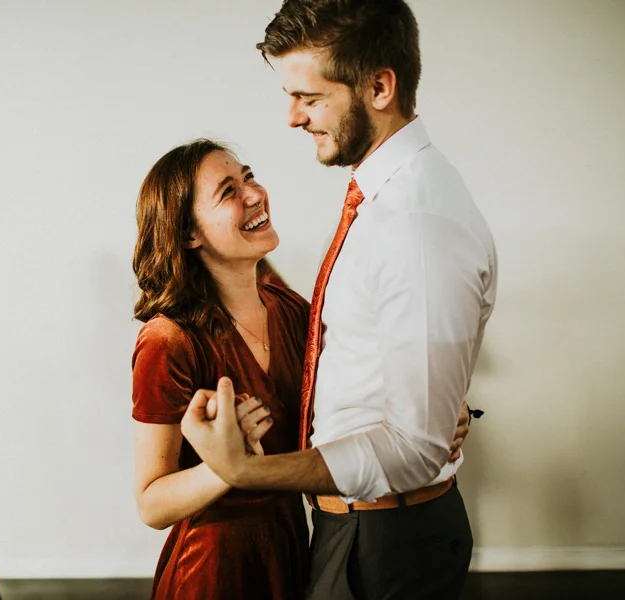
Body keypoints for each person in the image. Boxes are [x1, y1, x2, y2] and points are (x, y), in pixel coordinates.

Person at [180, 1, 498, 599]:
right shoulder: (386, 198)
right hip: (358, 529)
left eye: (309, 97)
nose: (292, 118)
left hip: (385, 543)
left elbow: (414, 449)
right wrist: (432, 400)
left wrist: (247, 470)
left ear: (379, 87)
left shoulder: (415, 224)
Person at [131, 140, 471, 600]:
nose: (254, 194)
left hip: (295, 551)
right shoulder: (168, 340)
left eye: (249, 177)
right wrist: (230, 468)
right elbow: (151, 504)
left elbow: (358, 387)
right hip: (213, 569)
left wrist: (440, 407)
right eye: (228, 192)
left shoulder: (291, 310)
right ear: (189, 234)